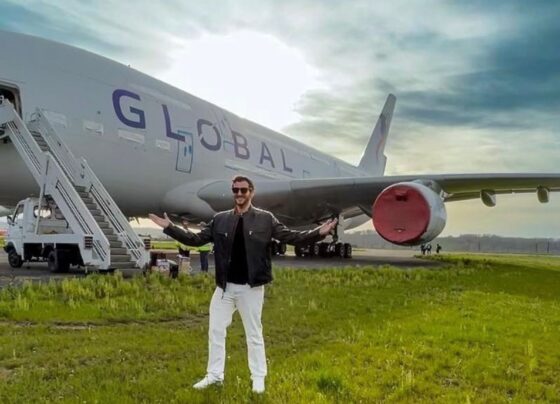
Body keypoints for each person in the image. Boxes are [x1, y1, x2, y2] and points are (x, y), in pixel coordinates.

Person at [149, 175, 336, 394]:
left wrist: (318, 233)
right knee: (216, 331)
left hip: (251, 288)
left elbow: (291, 237)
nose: (239, 194)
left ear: (251, 192)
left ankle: (258, 378)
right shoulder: (220, 219)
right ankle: (214, 376)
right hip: (224, 289)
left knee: (254, 334)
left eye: (243, 190)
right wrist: (169, 227)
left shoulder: (265, 219)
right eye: (235, 190)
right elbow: (196, 240)